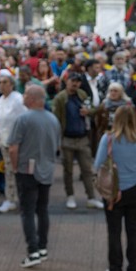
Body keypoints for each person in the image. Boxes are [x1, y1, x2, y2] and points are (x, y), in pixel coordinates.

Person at [94, 106, 136, 271]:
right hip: (135, 188)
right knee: (133, 230)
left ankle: (115, 269)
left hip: (113, 191)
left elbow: (98, 164)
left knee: (114, 231)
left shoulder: (108, 139)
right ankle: (134, 268)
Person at [8, 85, 61, 268]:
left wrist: (15, 167)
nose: (22, 96)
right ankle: (42, 246)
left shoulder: (23, 119)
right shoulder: (53, 119)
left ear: (31, 98)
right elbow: (56, 146)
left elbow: (13, 147)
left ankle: (33, 251)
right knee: (42, 209)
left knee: (27, 211)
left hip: (27, 170)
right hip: (46, 169)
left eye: (25, 94)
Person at [52, 72, 104, 210]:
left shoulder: (82, 94)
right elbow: (55, 119)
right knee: (68, 170)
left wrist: (89, 112)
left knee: (87, 170)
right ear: (67, 81)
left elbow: (93, 109)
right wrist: (57, 141)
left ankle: (91, 197)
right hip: (67, 138)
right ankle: (70, 196)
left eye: (77, 81)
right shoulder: (60, 98)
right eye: (72, 81)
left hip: (82, 137)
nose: (75, 84)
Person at [0, 69, 27, 213]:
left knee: (20, 171)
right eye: (0, 82)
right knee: (8, 171)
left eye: (5, 82)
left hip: (18, 142)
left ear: (12, 84)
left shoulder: (18, 99)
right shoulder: (0, 100)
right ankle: (10, 198)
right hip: (4, 140)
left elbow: (25, 120)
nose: (2, 85)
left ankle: (22, 198)